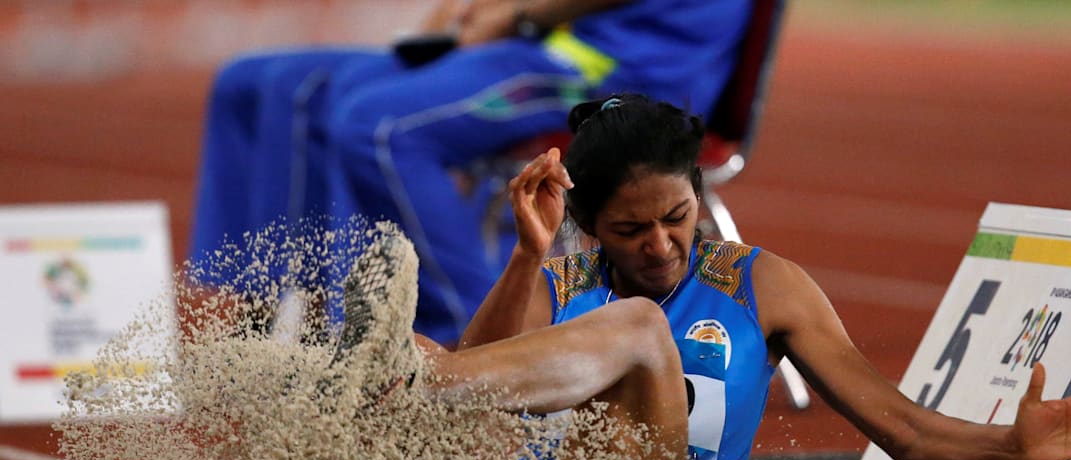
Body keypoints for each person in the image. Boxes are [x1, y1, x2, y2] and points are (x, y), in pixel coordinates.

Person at [421, 93, 1071, 460]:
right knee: (447, 378)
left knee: (639, 327)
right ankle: (395, 380)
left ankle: (401, 374)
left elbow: (903, 428)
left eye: (677, 217)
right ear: (589, 226)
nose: (661, 243)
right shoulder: (563, 279)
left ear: (698, 199)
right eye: (630, 229)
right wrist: (527, 255)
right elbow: (478, 397)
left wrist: (1012, 446)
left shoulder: (760, 285)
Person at [189, 0, 755, 345]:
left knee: (377, 127)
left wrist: (517, 16)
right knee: (263, 84)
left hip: (618, 71)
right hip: (545, 45)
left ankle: (472, 337)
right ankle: (285, 325)